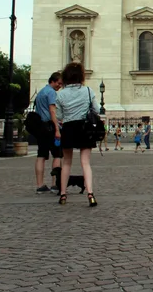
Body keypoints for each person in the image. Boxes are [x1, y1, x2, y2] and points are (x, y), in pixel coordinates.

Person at [56, 62, 101, 207]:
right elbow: (97, 109)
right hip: (84, 128)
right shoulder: (88, 91)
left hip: (69, 128)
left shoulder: (60, 94)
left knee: (67, 162)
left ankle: (63, 195)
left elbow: (59, 115)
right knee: (85, 162)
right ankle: (90, 194)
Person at [34, 72, 63, 194]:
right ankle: (55, 184)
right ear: (53, 81)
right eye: (59, 83)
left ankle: (40, 185)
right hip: (50, 127)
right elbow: (52, 111)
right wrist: (57, 129)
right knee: (57, 155)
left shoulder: (41, 92)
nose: (60, 86)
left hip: (40, 127)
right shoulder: (51, 92)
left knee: (41, 155)